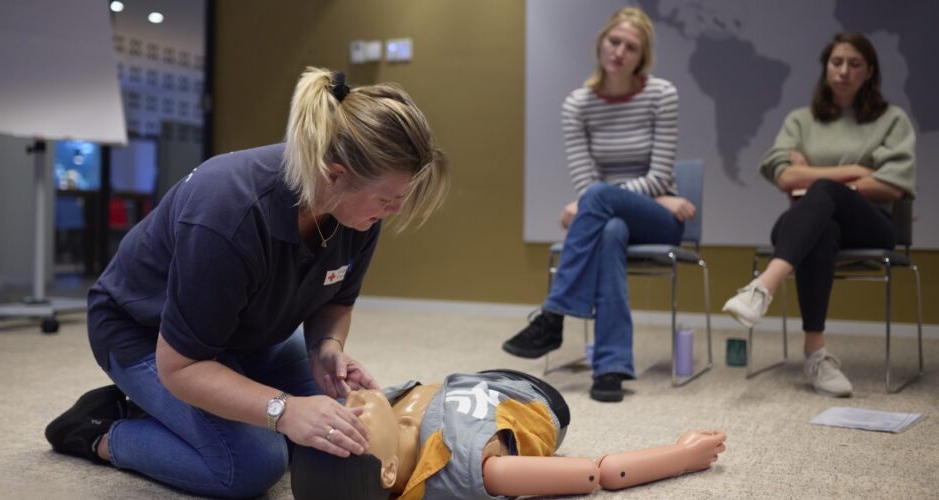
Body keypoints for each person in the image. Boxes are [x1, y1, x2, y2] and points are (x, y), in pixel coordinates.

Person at [43, 67, 449, 498]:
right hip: (146, 335)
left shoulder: (357, 212)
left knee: (341, 428)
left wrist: (325, 348)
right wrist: (285, 411)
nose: (393, 211)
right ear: (334, 174)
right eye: (387, 199)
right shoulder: (227, 214)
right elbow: (182, 366)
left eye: (399, 199)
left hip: (247, 335)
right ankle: (104, 429)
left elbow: (336, 301)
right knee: (253, 463)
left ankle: (184, 413)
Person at [502, 6, 694, 403]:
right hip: (613, 217)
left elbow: (658, 176)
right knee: (609, 230)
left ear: (642, 56)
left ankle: (553, 315)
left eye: (631, 47)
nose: (620, 52)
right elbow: (586, 183)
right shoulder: (578, 104)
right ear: (600, 43)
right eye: (614, 41)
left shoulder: (661, 95)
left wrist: (604, 197)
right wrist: (600, 198)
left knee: (599, 199)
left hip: (661, 218)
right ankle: (610, 368)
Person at [722, 33, 916, 397]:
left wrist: (812, 175)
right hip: (813, 225)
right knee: (821, 227)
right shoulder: (801, 120)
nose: (844, 71)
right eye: (836, 62)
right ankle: (816, 353)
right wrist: (857, 170)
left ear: (869, 72)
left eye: (854, 64)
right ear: (826, 67)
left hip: (872, 224)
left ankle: (763, 288)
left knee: (823, 191)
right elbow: (783, 176)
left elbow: (892, 184)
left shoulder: (892, 120)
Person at [290, 370, 726, 499]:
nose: (348, 404)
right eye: (352, 422)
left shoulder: (383, 407)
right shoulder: (471, 467)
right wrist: (682, 454)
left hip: (466, 382)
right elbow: (600, 473)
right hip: (534, 396)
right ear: (388, 472)